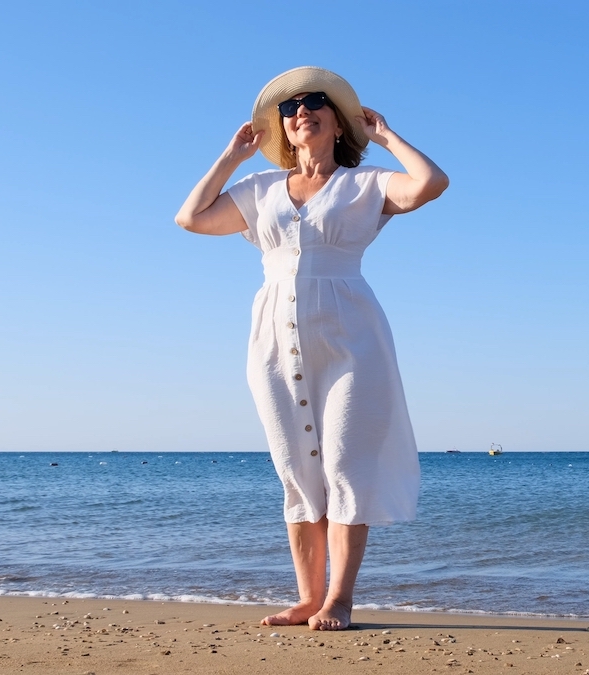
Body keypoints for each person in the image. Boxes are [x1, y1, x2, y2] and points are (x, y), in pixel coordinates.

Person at [175, 66, 448, 630]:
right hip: (274, 341)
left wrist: (387, 137)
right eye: (290, 107)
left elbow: (430, 183)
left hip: (353, 339)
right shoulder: (259, 191)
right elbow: (191, 219)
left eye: (315, 101)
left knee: (347, 464)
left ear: (337, 121)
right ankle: (307, 596)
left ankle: (339, 599)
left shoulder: (367, 183)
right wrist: (231, 158)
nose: (301, 110)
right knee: (296, 470)